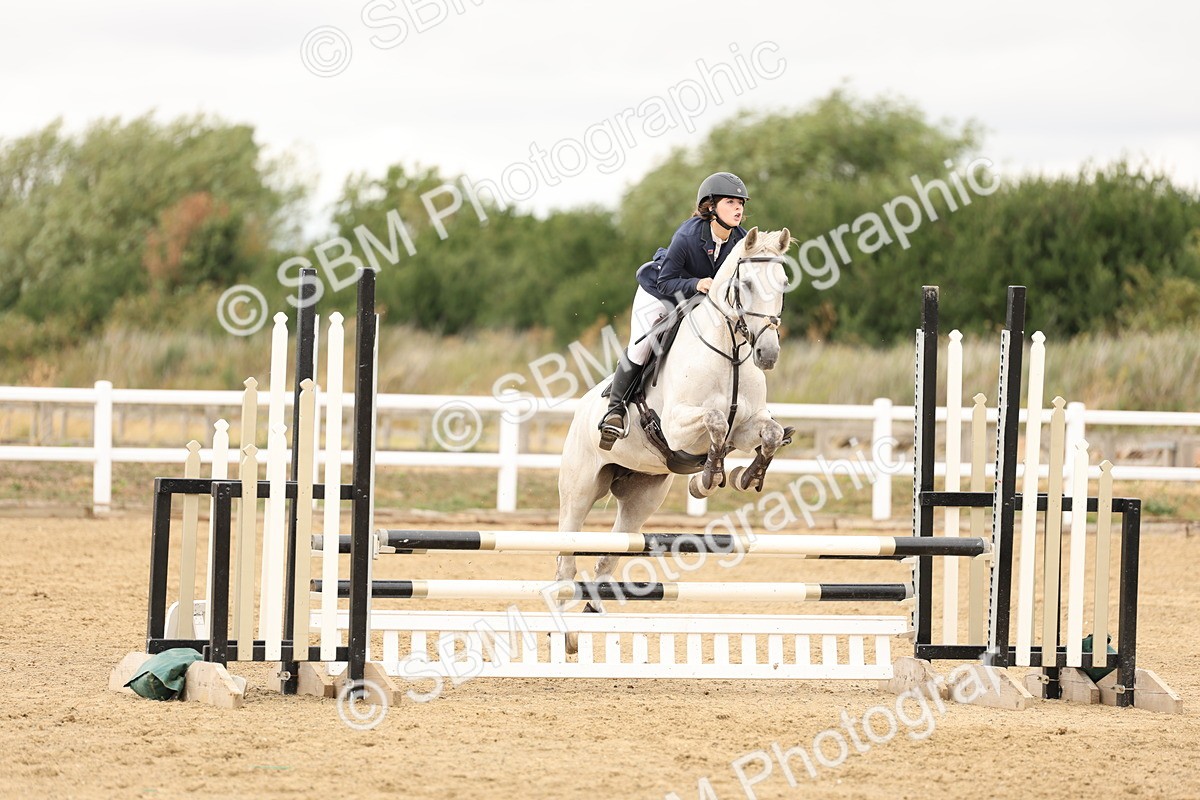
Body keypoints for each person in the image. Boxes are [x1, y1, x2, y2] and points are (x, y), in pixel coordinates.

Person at [597, 171, 750, 450]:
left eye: (741, 203)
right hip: (660, 292)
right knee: (644, 344)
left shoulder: (740, 240)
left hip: (700, 299)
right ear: (710, 206)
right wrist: (696, 283)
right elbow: (667, 281)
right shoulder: (688, 235)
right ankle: (615, 410)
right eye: (730, 202)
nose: (738, 208)